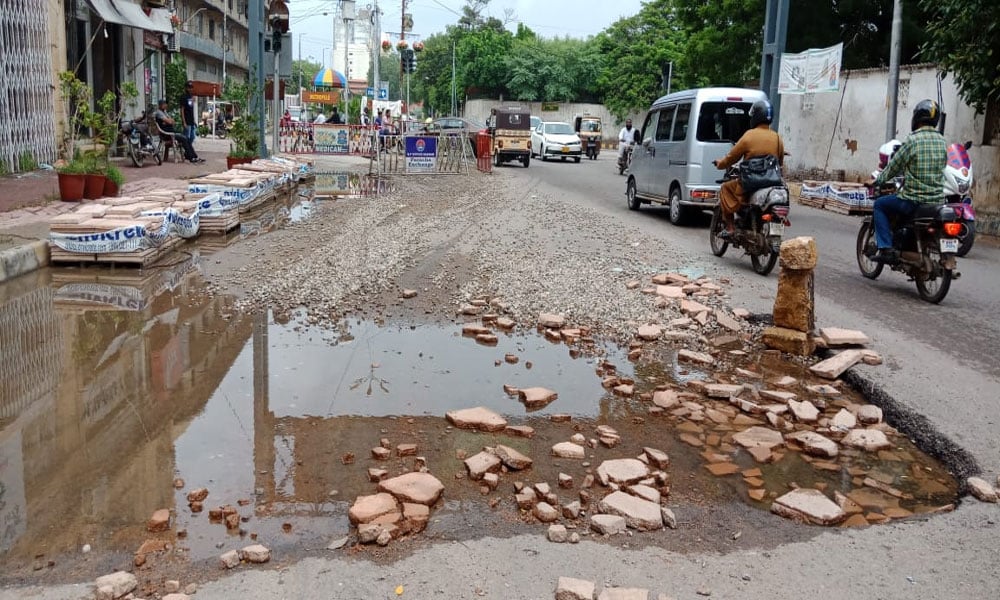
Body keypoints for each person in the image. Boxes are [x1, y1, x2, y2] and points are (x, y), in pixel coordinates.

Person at [869, 99, 947, 264]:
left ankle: (885, 249)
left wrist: (877, 181)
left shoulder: (912, 140)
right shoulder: (942, 141)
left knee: (880, 205)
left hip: (913, 200)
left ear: (917, 118)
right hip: (937, 202)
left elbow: (894, 167)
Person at [712, 99, 785, 237]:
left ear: (756, 116)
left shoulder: (749, 136)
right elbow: (780, 162)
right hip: (771, 183)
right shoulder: (777, 138)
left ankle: (730, 227)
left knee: (726, 188)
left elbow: (731, 158)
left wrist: (720, 164)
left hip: (750, 183)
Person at [153, 98, 204, 164]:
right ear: (160, 105)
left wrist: (168, 121)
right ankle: (191, 157)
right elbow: (169, 121)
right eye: (164, 104)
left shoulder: (164, 112)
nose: (166, 105)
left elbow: (172, 121)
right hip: (167, 134)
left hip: (171, 132)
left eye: (165, 104)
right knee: (184, 139)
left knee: (186, 138)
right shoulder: (159, 113)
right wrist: (168, 121)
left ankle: (194, 156)